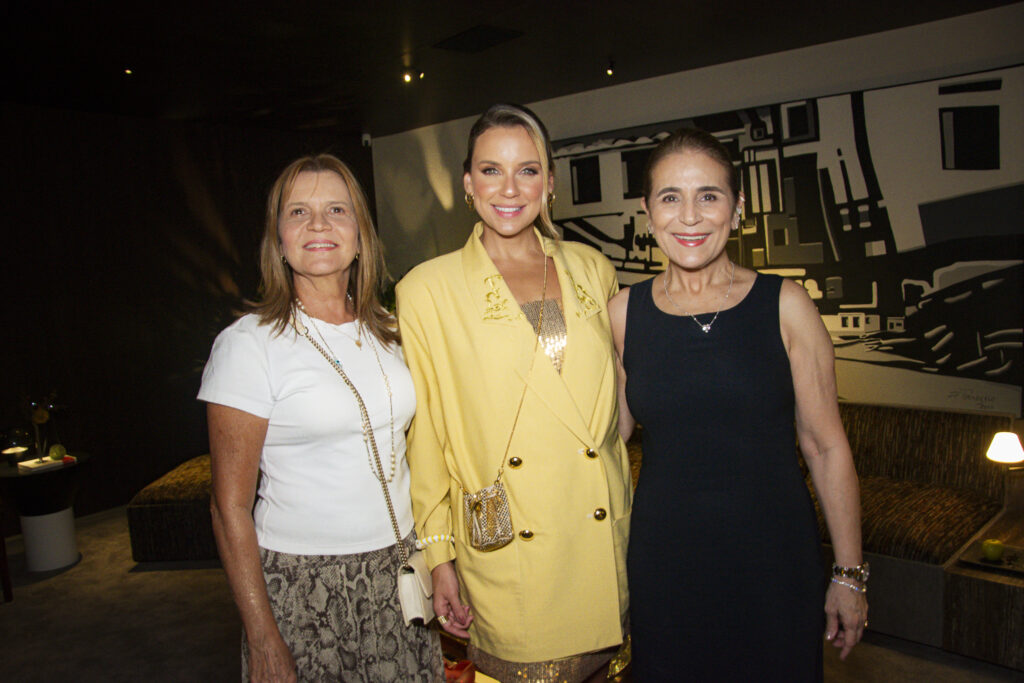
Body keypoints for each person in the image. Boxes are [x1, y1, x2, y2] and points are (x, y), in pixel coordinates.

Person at [609, 128, 867, 681]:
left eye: (709, 196)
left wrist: (849, 574)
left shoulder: (786, 305)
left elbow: (825, 446)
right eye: (670, 198)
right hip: (666, 566)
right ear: (647, 212)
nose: (690, 217)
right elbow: (606, 438)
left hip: (775, 564)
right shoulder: (623, 315)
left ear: (738, 207)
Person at [396, 104, 631, 682]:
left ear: (550, 184)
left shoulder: (592, 268)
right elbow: (426, 436)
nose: (509, 187)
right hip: (509, 544)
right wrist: (439, 555)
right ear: (468, 183)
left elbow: (613, 410)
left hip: (598, 537)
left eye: (527, 170)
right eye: (490, 170)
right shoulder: (427, 289)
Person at [198, 154, 442, 682]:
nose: (318, 225)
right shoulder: (250, 345)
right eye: (298, 212)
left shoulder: (393, 332)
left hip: (400, 568)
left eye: (336, 209)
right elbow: (228, 507)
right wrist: (263, 637)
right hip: (304, 586)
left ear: (360, 233)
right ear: (278, 238)